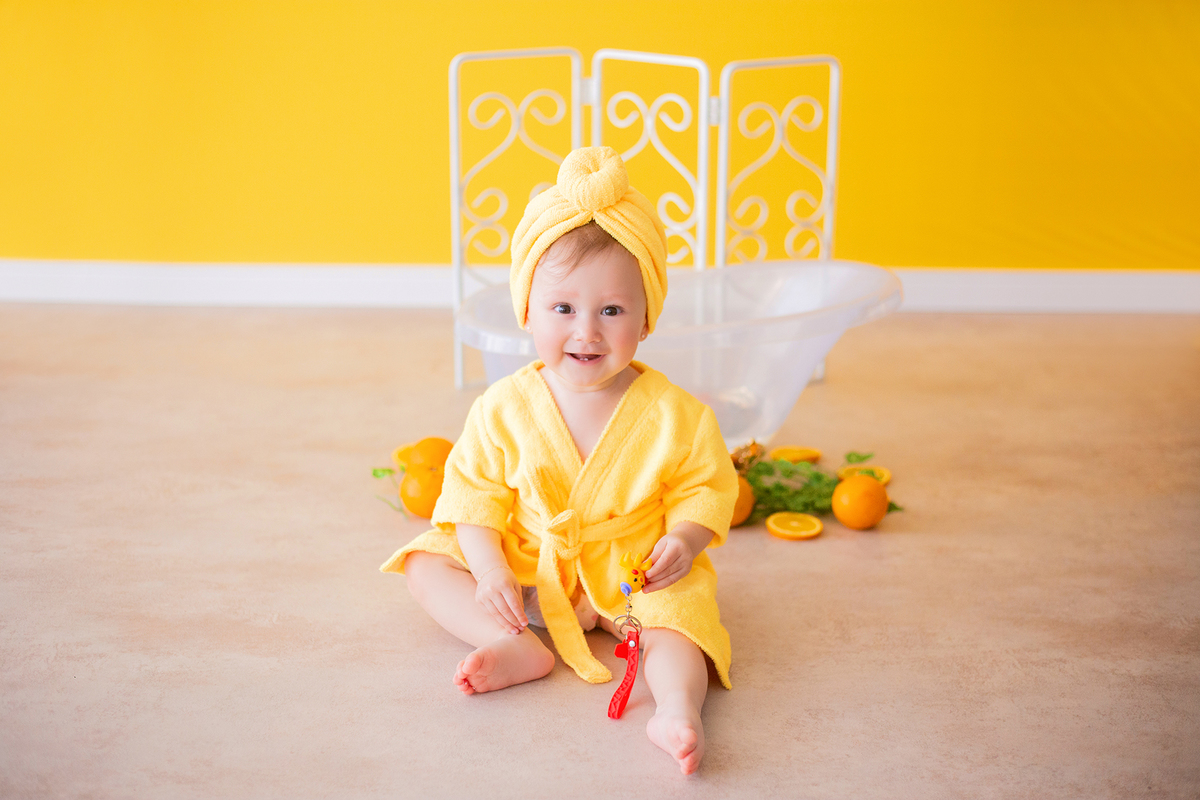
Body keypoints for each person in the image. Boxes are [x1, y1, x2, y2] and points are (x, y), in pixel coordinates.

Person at [380, 146, 737, 775]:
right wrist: (489, 570)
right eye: (563, 308)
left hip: (629, 575)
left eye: (612, 310)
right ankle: (511, 642)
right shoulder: (502, 406)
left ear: (647, 316)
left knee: (683, 621)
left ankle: (676, 709)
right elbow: (473, 495)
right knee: (426, 563)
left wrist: (684, 538)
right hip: (526, 565)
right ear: (527, 310)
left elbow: (705, 487)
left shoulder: (676, 414)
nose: (587, 332)